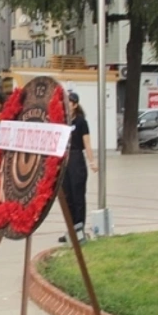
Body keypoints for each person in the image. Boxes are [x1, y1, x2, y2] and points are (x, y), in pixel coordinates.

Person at [59, 91, 98, 243]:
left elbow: (87, 144)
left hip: (76, 159)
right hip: (64, 159)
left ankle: (79, 229)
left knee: (78, 196)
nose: (66, 104)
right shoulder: (62, 121)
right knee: (67, 196)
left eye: (69, 102)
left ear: (75, 105)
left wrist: (92, 161)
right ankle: (70, 230)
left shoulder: (81, 122)